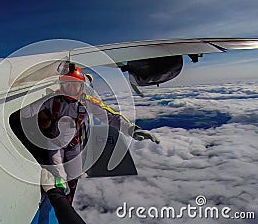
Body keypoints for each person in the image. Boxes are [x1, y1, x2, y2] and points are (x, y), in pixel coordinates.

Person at [22, 63, 159, 223]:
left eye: (76, 86)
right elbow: (26, 112)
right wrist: (43, 99)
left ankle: (68, 196)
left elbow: (111, 117)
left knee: (75, 174)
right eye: (67, 86)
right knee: (60, 178)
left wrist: (132, 129)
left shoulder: (88, 102)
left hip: (74, 145)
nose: (72, 91)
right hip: (55, 144)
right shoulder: (53, 100)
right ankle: (60, 202)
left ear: (82, 87)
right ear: (62, 86)